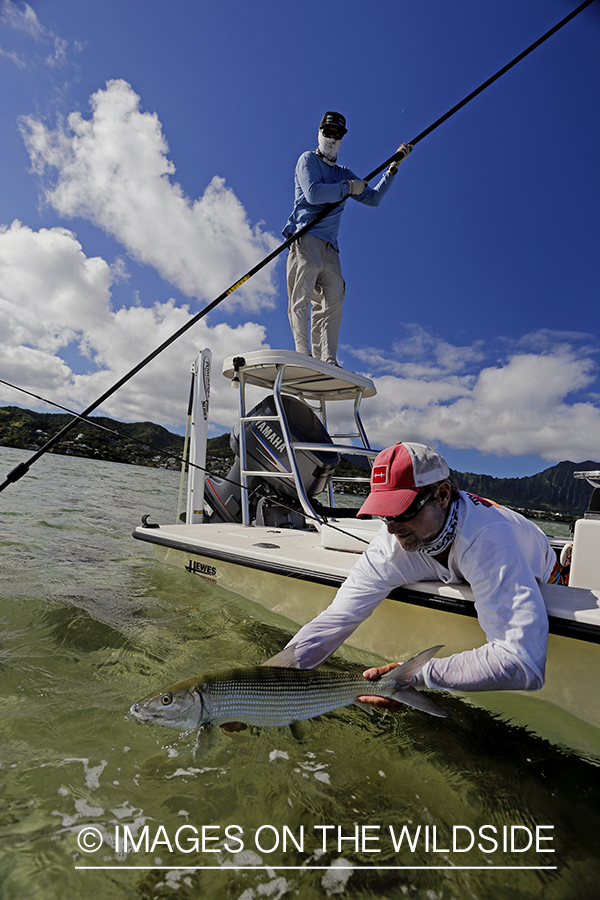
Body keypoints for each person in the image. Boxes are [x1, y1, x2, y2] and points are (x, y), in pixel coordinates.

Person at [284, 441, 558, 709]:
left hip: (544, 569)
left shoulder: (488, 540)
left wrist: (413, 675)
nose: (392, 528)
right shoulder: (390, 545)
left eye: (403, 510)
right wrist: (269, 678)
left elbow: (523, 662)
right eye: (384, 514)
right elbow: (337, 620)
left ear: (442, 495)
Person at [283, 111, 412, 366]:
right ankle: (303, 354)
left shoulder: (344, 172)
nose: (331, 138)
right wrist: (347, 188)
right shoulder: (307, 159)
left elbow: (373, 199)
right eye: (327, 133)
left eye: (337, 134)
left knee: (334, 301)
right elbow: (313, 194)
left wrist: (393, 169)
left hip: (331, 248)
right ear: (319, 133)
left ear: (342, 138)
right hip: (306, 237)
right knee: (302, 296)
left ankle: (327, 360)